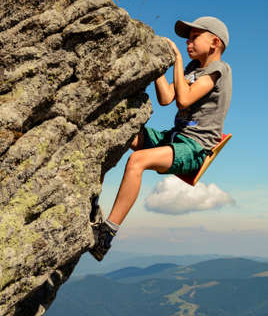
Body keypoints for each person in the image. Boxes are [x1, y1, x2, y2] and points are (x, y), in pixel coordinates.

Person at [90, 16, 232, 261]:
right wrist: (158, 67)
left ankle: (107, 235)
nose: (188, 43)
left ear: (214, 42)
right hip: (175, 138)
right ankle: (92, 202)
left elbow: (184, 100)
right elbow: (166, 97)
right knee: (122, 135)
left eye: (194, 37)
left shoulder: (218, 70)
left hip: (195, 147)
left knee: (137, 161)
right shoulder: (191, 70)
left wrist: (176, 59)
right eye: (187, 39)